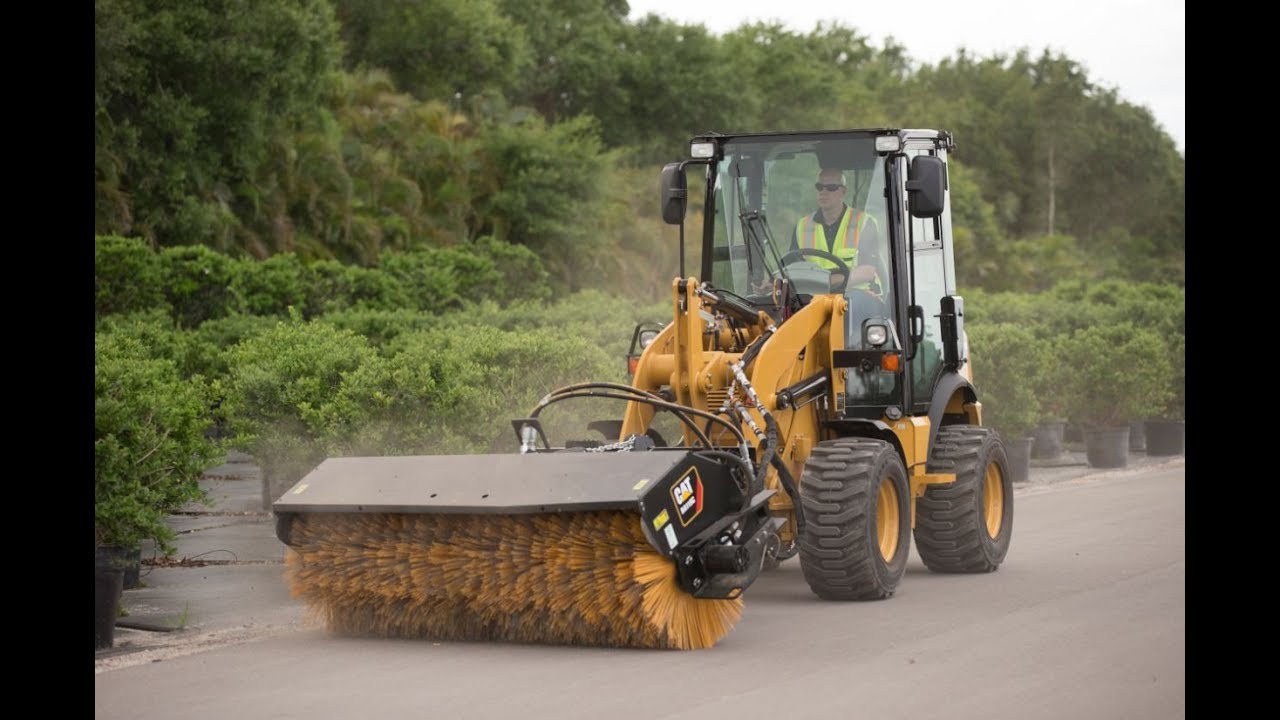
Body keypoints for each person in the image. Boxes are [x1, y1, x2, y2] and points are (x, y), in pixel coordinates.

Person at [788, 168, 883, 296]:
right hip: (815, 300)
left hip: (858, 297)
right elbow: (791, 269)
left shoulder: (864, 223)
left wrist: (827, 281)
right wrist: (772, 283)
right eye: (819, 187)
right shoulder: (802, 226)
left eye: (831, 187)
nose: (823, 192)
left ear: (843, 192)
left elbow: (867, 271)